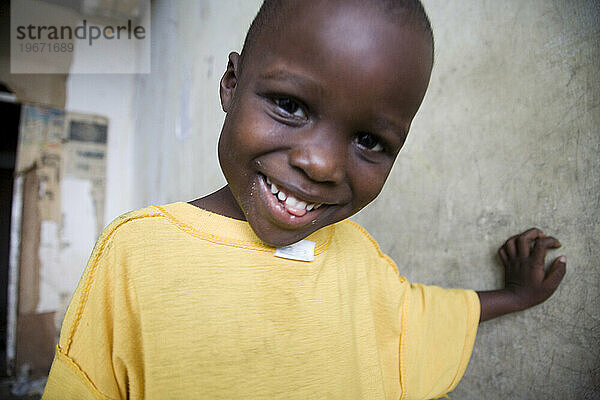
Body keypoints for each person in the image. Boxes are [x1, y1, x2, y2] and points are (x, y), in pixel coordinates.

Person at [42, 0, 567, 399]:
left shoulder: (360, 259)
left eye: (369, 142)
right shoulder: (136, 255)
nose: (322, 164)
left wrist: (516, 297)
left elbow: (416, 319)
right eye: (290, 105)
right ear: (231, 83)